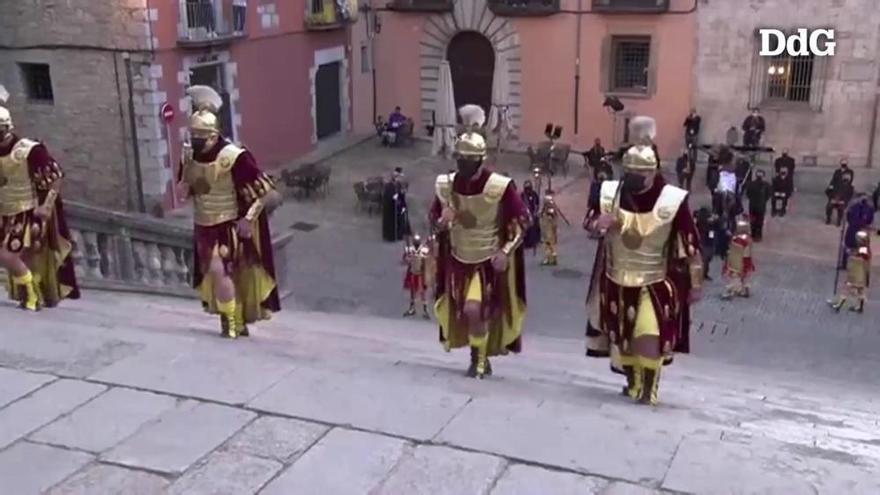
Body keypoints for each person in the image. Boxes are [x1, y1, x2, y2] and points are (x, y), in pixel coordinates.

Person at [584, 116, 703, 406]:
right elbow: (589, 221)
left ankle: (649, 388)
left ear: (653, 171)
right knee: (623, 335)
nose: (634, 179)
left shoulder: (672, 199)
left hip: (655, 279)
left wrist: (695, 282)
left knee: (648, 332)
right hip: (616, 275)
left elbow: (690, 242)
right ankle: (633, 379)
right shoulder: (610, 193)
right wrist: (598, 223)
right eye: (630, 172)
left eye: (640, 174)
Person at [429, 104, 528, 379]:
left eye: (468, 159)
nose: (463, 164)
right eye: (460, 158)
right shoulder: (446, 185)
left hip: (487, 260)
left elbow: (522, 220)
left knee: (474, 307)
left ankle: (479, 361)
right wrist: (443, 220)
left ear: (480, 160)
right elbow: (434, 222)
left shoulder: (500, 186)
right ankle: (479, 356)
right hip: (459, 258)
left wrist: (506, 250)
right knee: (465, 311)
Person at [176, 85, 281, 338]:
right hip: (203, 225)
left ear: (212, 136)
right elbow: (185, 193)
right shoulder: (189, 156)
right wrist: (186, 178)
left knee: (220, 269)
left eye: (200, 136)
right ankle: (232, 320)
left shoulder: (235, 157)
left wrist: (248, 218)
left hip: (227, 225)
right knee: (219, 274)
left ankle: (232, 326)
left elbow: (264, 191)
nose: (196, 141)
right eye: (193, 136)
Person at [0, 84, 79, 311]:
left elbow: (56, 176)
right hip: (5, 210)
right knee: (17, 258)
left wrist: (46, 206)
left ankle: (33, 295)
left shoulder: (29, 150)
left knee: (9, 255)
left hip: (26, 211)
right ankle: (29, 295)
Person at [829, 230, 870, 313]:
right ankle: (860, 307)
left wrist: (847, 250)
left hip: (856, 274)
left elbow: (855, 256)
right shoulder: (864, 249)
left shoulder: (863, 250)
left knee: (846, 288)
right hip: (862, 275)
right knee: (860, 290)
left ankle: (838, 306)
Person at [722, 219, 755, 300]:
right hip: (747, 260)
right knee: (745, 276)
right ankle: (745, 288)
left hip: (737, 260)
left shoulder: (736, 239)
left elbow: (734, 250)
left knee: (735, 276)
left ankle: (730, 290)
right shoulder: (748, 238)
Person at [842, 194, 875, 269]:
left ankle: (861, 263)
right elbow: (848, 216)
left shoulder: (868, 209)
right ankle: (845, 263)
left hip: (860, 229)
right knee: (848, 245)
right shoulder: (854, 207)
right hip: (853, 228)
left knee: (861, 246)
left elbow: (870, 220)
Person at [402, 234, 430, 319]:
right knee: (412, 292)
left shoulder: (424, 250)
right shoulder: (410, 250)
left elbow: (427, 258)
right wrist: (407, 257)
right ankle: (412, 308)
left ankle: (425, 310)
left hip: (420, 274)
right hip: (413, 272)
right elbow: (405, 259)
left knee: (422, 293)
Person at [382, 167, 410, 242]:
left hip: (399, 205)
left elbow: (402, 191)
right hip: (391, 207)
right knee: (394, 221)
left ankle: (400, 233)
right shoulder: (389, 186)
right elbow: (388, 196)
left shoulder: (398, 184)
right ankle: (393, 235)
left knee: (401, 219)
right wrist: (394, 197)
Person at [694, 207, 722, 281]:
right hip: (706, 242)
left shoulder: (710, 222)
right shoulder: (701, 222)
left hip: (709, 242)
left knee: (707, 258)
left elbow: (717, 226)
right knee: (705, 259)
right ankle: (703, 274)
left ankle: (704, 274)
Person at [745, 169, 771, 241]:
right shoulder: (766, 185)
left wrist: (752, 199)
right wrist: (763, 200)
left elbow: (748, 194)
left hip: (752, 205)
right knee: (759, 221)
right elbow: (768, 195)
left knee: (753, 220)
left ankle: (753, 234)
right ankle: (758, 235)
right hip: (761, 206)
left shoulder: (750, 184)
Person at [539, 192, 561, 266]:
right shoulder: (553, 209)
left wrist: (541, 214)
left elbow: (543, 213)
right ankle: (553, 256)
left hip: (548, 226)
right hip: (551, 226)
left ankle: (549, 257)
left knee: (548, 241)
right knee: (551, 241)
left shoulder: (548, 211)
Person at [521, 180, 541, 254]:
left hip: (533, 213)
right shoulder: (522, 195)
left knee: (535, 223)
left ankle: (535, 240)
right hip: (526, 214)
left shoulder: (534, 194)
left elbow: (537, 204)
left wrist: (536, 211)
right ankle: (526, 242)